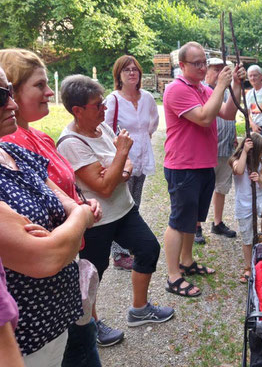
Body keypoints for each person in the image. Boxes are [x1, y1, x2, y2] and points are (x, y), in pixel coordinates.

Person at [0, 49, 105, 363]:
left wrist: (67, 224)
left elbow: (73, 205)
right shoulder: (15, 145)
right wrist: (79, 218)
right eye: (2, 95)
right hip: (26, 336)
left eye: (9, 94)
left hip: (56, 318)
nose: (13, 104)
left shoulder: (19, 154)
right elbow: (45, 256)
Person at [57, 75, 174, 346]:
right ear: (77, 110)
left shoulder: (102, 128)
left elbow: (125, 167)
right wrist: (119, 159)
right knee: (93, 272)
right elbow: (105, 186)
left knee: (148, 249)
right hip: (97, 221)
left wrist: (116, 167)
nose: (105, 108)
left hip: (124, 210)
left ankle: (140, 309)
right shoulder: (71, 142)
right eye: (98, 105)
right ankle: (91, 326)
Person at [163, 41, 245, 297]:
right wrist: (221, 84)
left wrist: (236, 86)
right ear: (182, 65)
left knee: (193, 219)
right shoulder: (176, 90)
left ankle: (186, 261)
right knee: (178, 221)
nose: (202, 67)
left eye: (204, 63)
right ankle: (173, 275)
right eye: (196, 63)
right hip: (183, 165)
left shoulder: (203, 89)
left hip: (204, 164)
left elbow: (227, 113)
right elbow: (204, 118)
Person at [104, 55, 159, 270]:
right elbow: (106, 130)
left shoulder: (146, 98)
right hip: (122, 159)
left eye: (135, 69)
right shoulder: (113, 99)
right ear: (119, 74)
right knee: (120, 203)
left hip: (142, 156)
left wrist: (144, 137)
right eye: (126, 70)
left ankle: (129, 244)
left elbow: (153, 123)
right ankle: (118, 253)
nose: (132, 73)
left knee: (135, 203)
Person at [229, 133, 262, 283]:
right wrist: (245, 152)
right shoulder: (236, 160)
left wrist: (259, 179)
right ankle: (248, 267)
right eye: (261, 151)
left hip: (259, 198)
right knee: (247, 238)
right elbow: (239, 171)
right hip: (244, 204)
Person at [204, 57, 237, 243]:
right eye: (215, 69)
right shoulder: (204, 91)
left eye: (222, 69)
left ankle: (217, 223)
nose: (219, 73)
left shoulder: (227, 91)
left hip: (225, 148)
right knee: (201, 190)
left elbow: (231, 116)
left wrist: (233, 137)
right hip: (208, 150)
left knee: (222, 187)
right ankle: (197, 225)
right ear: (207, 72)